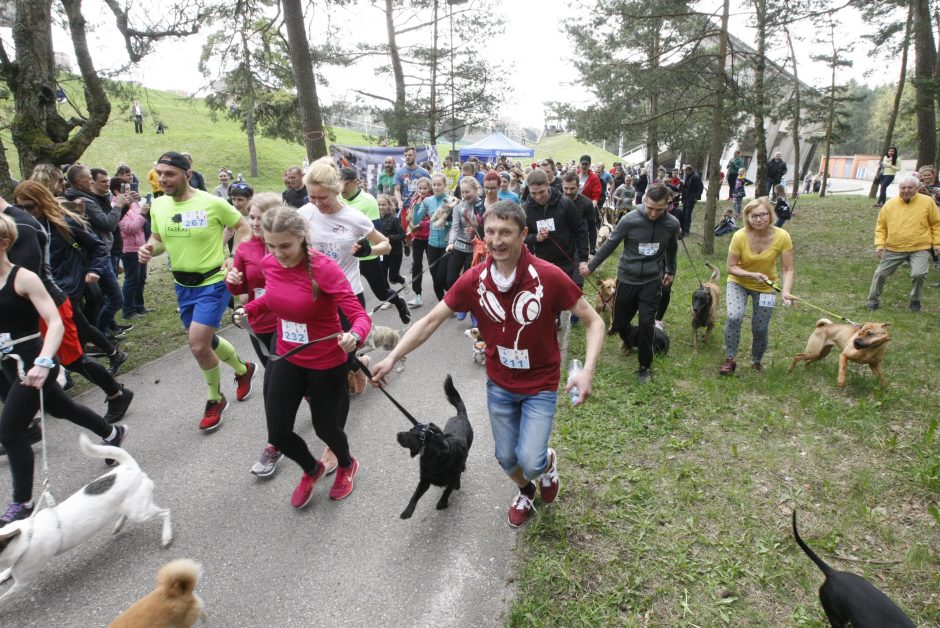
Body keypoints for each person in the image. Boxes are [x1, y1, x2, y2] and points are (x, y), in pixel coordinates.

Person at [370, 201, 605, 528]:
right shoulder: (475, 279)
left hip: (540, 385)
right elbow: (431, 320)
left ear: (523, 234)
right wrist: (393, 356)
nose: (496, 240)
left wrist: (587, 371)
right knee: (507, 458)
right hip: (500, 386)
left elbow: (594, 321)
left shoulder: (548, 277)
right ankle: (525, 491)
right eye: (491, 231)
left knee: (532, 461)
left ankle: (546, 466)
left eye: (506, 232)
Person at [233, 206, 370, 508]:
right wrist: (249, 309)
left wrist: (355, 336)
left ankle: (347, 464)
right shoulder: (270, 263)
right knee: (278, 432)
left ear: (301, 238)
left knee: (325, 427)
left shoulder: (324, 269)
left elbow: (358, 314)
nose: (279, 253)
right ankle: (312, 469)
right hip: (287, 355)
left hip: (325, 361)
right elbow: (271, 297)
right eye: (271, 245)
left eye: (286, 246)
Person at [0, 212, 127, 525]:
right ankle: (113, 432)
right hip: (7, 363)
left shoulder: (23, 278)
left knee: (10, 429)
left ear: (4, 243)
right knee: (63, 408)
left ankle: (22, 504)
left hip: (33, 362)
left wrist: (44, 362)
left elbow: (54, 322)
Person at [138, 151, 256, 431]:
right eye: (159, 173)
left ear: (187, 175)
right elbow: (158, 240)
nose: (163, 179)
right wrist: (148, 248)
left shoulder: (212, 203)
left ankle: (215, 398)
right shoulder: (159, 206)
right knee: (206, 341)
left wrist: (235, 255)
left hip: (213, 282)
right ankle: (243, 370)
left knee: (198, 343)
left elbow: (242, 225)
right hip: (182, 285)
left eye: (170, 173)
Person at [5, 189, 133, 424]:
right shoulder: (18, 224)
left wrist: (92, 271)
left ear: (42, 202)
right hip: (37, 304)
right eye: (20, 206)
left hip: (56, 299)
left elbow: (97, 247)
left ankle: (117, 393)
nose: (25, 211)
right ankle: (22, 423)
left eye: (30, 206)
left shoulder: (48, 224)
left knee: (72, 358)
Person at [299, 156, 393, 396]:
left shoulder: (354, 218)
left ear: (337, 190)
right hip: (314, 292)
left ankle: (358, 365)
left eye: (323, 197)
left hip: (347, 292)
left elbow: (386, 245)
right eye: (312, 197)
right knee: (322, 348)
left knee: (346, 348)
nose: (317, 203)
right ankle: (343, 379)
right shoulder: (303, 213)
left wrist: (368, 250)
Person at [583, 184, 679, 383]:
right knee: (618, 323)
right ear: (644, 201)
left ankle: (644, 366)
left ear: (667, 205)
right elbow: (610, 244)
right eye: (649, 207)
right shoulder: (630, 220)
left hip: (652, 281)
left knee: (646, 323)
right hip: (627, 279)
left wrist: (670, 270)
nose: (653, 213)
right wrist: (591, 266)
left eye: (658, 209)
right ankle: (629, 339)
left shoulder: (671, 224)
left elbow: (672, 248)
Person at [719, 197, 796, 375]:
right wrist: (752, 274)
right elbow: (730, 267)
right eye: (754, 216)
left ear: (770, 215)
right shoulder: (740, 236)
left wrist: (785, 291)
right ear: (747, 218)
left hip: (766, 287)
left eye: (763, 214)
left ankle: (756, 361)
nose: (759, 219)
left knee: (760, 327)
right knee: (734, 316)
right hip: (739, 282)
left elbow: (788, 268)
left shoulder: (782, 236)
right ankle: (730, 359)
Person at [337, 167, 410, 323]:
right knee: (347, 294)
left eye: (346, 184)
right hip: (346, 258)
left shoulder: (368, 200)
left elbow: (376, 232)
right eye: (339, 184)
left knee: (382, 294)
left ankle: (399, 302)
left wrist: (363, 247)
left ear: (355, 182)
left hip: (367, 256)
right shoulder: (337, 199)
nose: (342, 188)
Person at [865, 175, 940, 312]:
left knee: (919, 274)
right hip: (894, 247)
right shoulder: (890, 204)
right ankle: (872, 301)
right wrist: (880, 245)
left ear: (916, 188)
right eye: (903, 188)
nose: (906, 190)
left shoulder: (928, 202)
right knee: (880, 274)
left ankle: (915, 300)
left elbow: (936, 224)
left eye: (910, 187)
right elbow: (881, 226)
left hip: (920, 247)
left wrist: (937, 244)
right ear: (899, 188)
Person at [522, 169, 589, 296]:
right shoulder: (525, 209)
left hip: (568, 260)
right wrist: (535, 237)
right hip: (543, 263)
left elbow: (581, 230)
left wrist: (583, 258)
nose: (538, 196)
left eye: (541, 191)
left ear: (548, 185)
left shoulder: (565, 203)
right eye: (533, 193)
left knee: (572, 298)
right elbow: (521, 237)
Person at [113, 177, 149, 320]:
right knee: (131, 279)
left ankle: (139, 306)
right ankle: (128, 310)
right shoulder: (117, 207)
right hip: (129, 249)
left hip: (141, 246)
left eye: (130, 188)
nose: (130, 192)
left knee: (141, 278)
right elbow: (129, 228)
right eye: (126, 189)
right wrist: (142, 214)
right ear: (117, 191)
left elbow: (141, 225)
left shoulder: (133, 204)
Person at [562, 172, 597, 255]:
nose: (568, 192)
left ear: (578, 187)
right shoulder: (557, 201)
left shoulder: (587, 203)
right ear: (562, 186)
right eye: (566, 188)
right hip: (561, 245)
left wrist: (592, 248)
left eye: (572, 188)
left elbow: (592, 227)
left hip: (578, 245)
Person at [377, 193, 406, 287]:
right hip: (382, 252)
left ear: (389, 205)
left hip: (395, 252)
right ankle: (390, 297)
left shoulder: (394, 219)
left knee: (393, 277)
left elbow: (402, 235)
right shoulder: (376, 219)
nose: (381, 207)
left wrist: (389, 238)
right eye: (379, 204)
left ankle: (403, 281)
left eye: (383, 204)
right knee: (382, 276)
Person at [393, 147, 431, 217]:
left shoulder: (424, 172)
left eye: (410, 155)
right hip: (405, 207)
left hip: (420, 207)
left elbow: (430, 189)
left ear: (415, 156)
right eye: (405, 155)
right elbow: (397, 190)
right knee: (405, 228)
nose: (407, 157)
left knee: (419, 227)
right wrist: (399, 201)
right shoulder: (399, 172)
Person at [681, 165, 704, 236]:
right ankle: (683, 228)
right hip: (686, 197)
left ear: (689, 170)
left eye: (685, 170)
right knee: (684, 213)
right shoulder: (688, 176)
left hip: (691, 198)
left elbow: (700, 187)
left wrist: (696, 197)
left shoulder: (696, 177)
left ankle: (686, 230)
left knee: (688, 214)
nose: (684, 172)